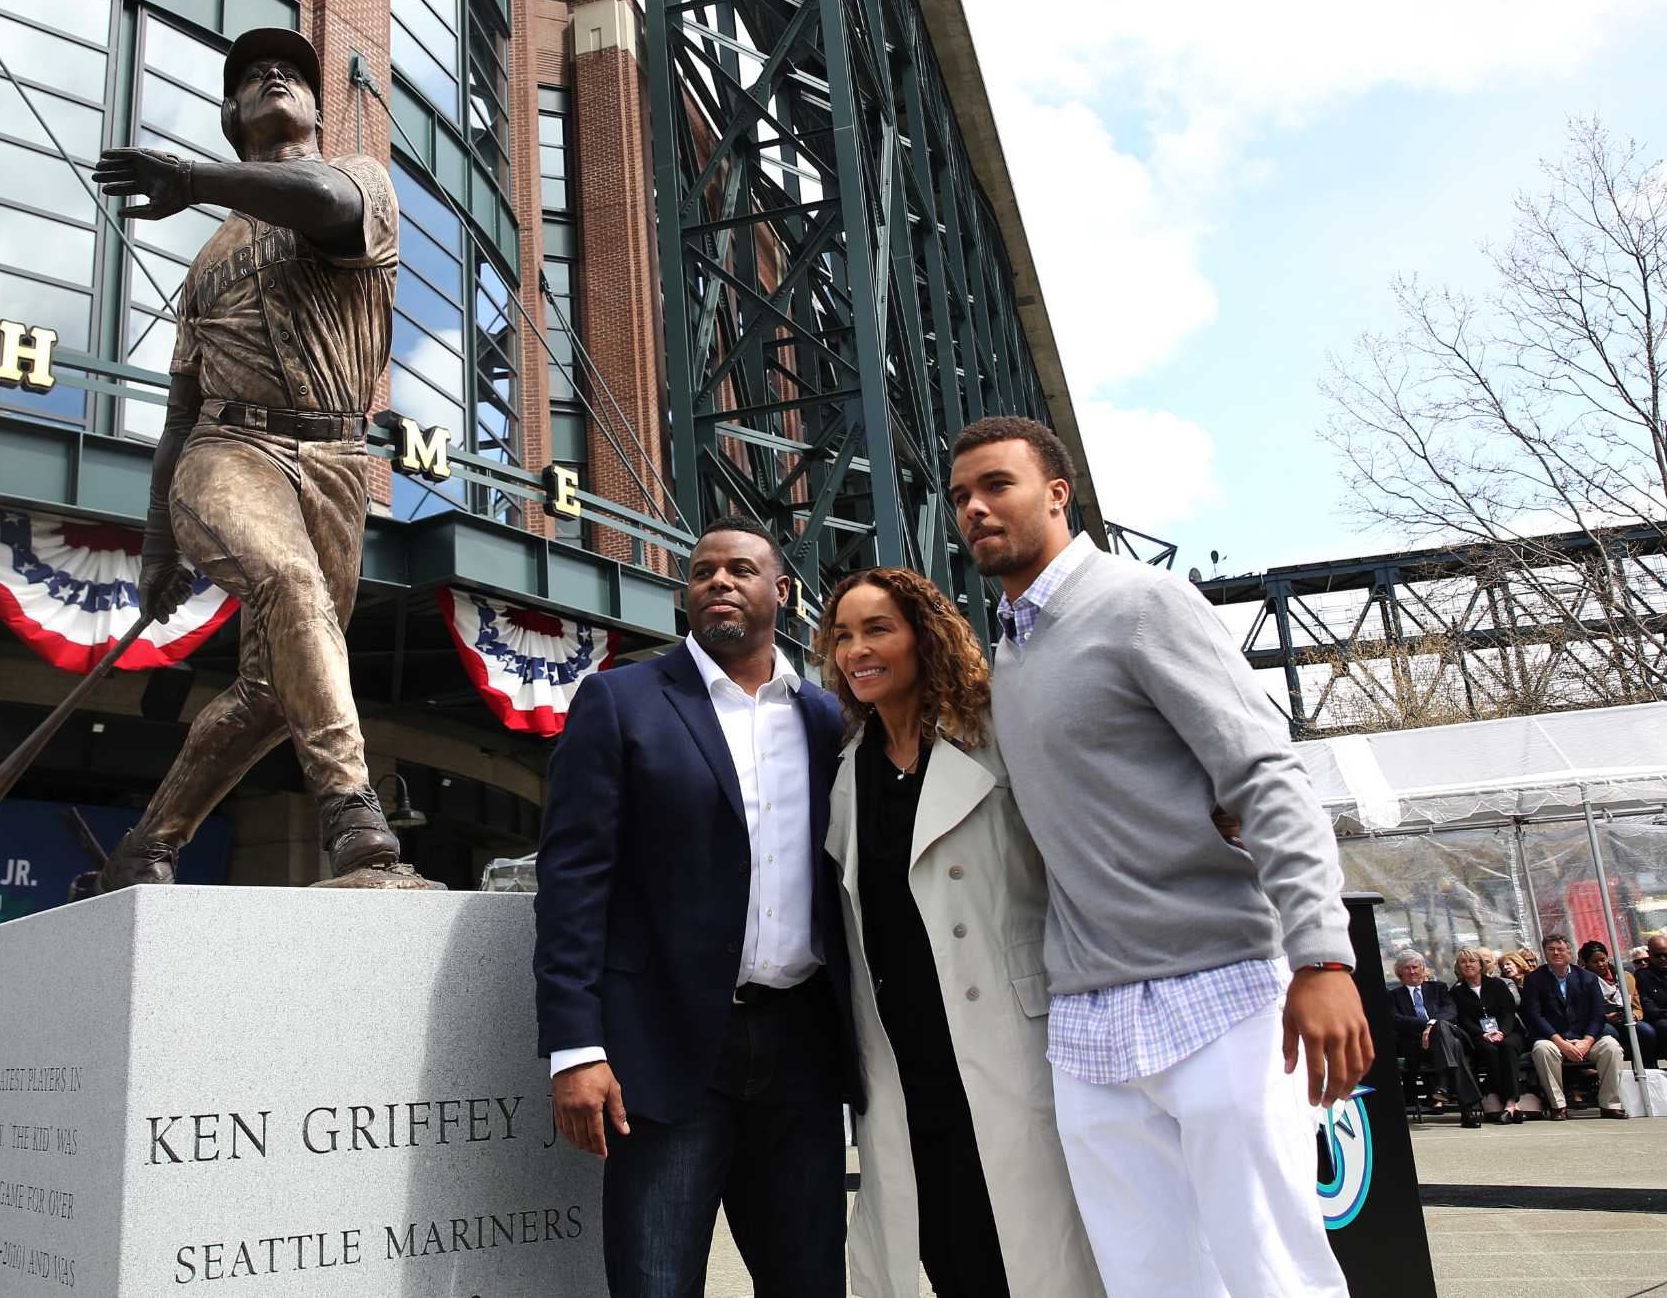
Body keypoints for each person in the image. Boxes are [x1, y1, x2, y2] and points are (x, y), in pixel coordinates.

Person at [949, 416, 1367, 1298]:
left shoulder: (1143, 601)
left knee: (1273, 1273)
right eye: (960, 498)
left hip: (1219, 989)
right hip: (1089, 1021)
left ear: (1058, 493)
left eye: (997, 485)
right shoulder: (1014, 655)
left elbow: (1264, 773)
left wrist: (1322, 956)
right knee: (1150, 1283)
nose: (975, 508)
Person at [86, 28, 414, 888]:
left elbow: (323, 208)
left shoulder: (359, 179)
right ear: (233, 116)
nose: (276, 76)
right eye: (252, 78)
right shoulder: (207, 261)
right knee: (292, 586)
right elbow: (178, 416)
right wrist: (159, 543)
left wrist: (192, 180)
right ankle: (354, 815)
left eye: (294, 74)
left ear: (312, 106)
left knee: (278, 689)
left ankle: (147, 843)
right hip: (230, 448)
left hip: (338, 459)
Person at [533, 516, 858, 1297]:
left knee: (810, 1280)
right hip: (668, 1050)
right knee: (655, 1282)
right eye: (703, 570)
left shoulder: (826, 718)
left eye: (740, 569)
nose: (718, 580)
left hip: (801, 1053)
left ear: (781, 591)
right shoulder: (620, 700)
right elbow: (574, 879)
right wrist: (575, 1046)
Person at [815, 567, 1102, 1298]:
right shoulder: (847, 771)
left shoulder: (999, 732)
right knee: (952, 1255)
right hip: (907, 1067)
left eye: (878, 628)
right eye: (843, 635)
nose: (857, 650)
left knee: (1045, 1258)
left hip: (1013, 1046)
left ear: (925, 635)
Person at [1520, 934, 1627, 1120]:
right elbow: (1534, 1015)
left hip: (1585, 1037)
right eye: (1551, 949)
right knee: (1542, 1050)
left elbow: (1598, 1014)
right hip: (1554, 1038)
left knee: (1611, 1047)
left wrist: (1587, 1041)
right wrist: (1561, 1043)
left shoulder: (1587, 978)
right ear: (1544, 953)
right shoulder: (1534, 979)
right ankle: (1558, 1106)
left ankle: (1610, 1104)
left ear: (1570, 952)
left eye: (1560, 949)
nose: (1556, 953)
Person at [1388, 952, 1484, 1127]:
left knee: (1443, 1028)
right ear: (1399, 973)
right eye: (1407, 968)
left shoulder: (1438, 988)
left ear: (1423, 969)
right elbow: (1396, 1020)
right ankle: (1466, 1109)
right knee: (1454, 1046)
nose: (1412, 971)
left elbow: (1450, 1011)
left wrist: (1433, 1026)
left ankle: (1443, 1084)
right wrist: (1428, 1026)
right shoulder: (1393, 995)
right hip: (1418, 1046)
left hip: (1447, 1034)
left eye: (1415, 967)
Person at [1449, 949, 1524, 1123]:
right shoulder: (1457, 993)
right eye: (1463, 962)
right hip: (1479, 1035)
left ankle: (1511, 1101)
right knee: (1488, 1051)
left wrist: (1502, 1032)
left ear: (1480, 964)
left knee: (1507, 1046)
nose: (1468, 965)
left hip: (1508, 1031)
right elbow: (1464, 1020)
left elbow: (1508, 1012)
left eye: (1472, 961)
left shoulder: (1497, 985)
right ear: (1458, 967)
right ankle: (1508, 1101)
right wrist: (1483, 1034)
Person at [1581, 940, 1656, 1068]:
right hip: (1601, 1023)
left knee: (1646, 1031)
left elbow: (1637, 1007)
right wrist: (1605, 1018)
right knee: (1610, 1032)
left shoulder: (1625, 977)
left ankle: (1647, 1070)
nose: (1600, 964)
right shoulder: (1582, 981)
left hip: (1626, 1020)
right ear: (1586, 963)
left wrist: (1633, 1016)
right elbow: (1580, 1012)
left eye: (1603, 960)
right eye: (1595, 962)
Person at [1636, 932, 1667, 1068]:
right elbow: (1648, 1007)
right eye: (1657, 955)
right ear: (1649, 954)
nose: (1663, 959)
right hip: (1657, 1020)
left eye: (1666, 955)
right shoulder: (1642, 976)